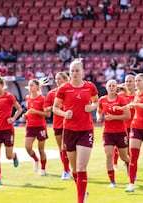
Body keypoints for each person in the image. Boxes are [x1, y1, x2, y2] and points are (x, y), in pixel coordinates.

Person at [52, 59, 98, 203]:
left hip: (86, 130)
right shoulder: (64, 88)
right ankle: (83, 192)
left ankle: (80, 200)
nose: (74, 73)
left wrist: (92, 107)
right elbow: (55, 108)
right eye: (72, 71)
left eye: (77, 70)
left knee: (81, 166)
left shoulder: (90, 86)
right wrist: (65, 114)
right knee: (74, 170)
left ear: (82, 72)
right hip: (69, 131)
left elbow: (96, 101)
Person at [119, 73, 143, 194]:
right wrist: (119, 108)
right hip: (135, 127)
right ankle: (131, 184)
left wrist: (137, 104)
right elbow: (129, 103)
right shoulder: (135, 95)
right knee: (133, 157)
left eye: (139, 81)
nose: (136, 83)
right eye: (136, 81)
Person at [97, 79, 130, 188]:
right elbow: (99, 110)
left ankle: (130, 166)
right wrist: (98, 117)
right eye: (109, 85)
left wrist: (113, 117)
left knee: (123, 156)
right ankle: (112, 181)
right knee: (109, 155)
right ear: (106, 88)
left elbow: (127, 116)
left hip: (120, 132)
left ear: (116, 88)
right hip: (108, 132)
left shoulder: (121, 100)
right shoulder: (102, 100)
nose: (111, 87)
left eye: (113, 86)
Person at [44, 72, 71, 180]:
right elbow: (46, 109)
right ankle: (66, 169)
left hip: (69, 123)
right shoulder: (51, 93)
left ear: (65, 79)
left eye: (59, 78)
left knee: (67, 147)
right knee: (61, 148)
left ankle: (69, 169)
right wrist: (54, 107)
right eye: (56, 79)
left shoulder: (70, 91)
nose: (57, 81)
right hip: (57, 123)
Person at [22, 78, 50, 176]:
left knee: (41, 149)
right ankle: (35, 160)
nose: (30, 87)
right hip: (30, 126)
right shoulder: (27, 98)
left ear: (37, 87)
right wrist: (25, 115)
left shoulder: (42, 98)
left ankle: (43, 168)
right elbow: (29, 111)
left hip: (40, 127)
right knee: (27, 147)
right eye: (29, 85)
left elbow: (47, 114)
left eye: (32, 85)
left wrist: (35, 112)